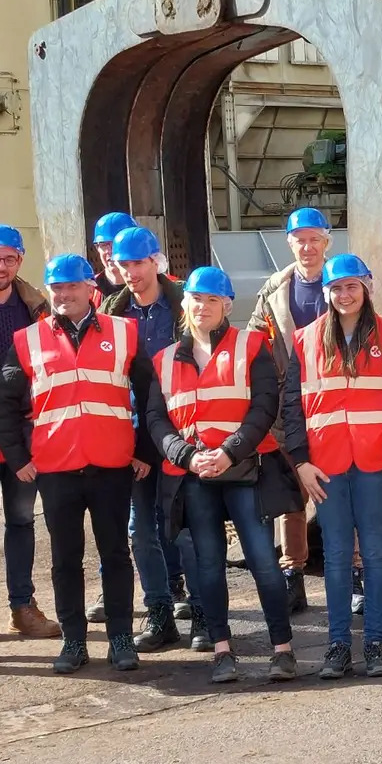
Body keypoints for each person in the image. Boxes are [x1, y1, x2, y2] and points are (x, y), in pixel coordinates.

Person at [147, 266, 304, 683]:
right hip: (195, 474)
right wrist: (186, 456)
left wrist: (229, 452)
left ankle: (283, 650)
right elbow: (156, 419)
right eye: (196, 299)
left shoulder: (252, 346)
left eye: (212, 300)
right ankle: (221, 650)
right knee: (208, 564)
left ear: (227, 306)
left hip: (244, 470)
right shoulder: (163, 361)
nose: (203, 307)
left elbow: (264, 406)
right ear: (185, 304)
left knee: (262, 561)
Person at [0, 254, 154, 673]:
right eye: (57, 288)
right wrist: (18, 459)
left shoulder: (125, 333)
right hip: (56, 469)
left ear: (92, 289)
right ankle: (73, 641)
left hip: (111, 464)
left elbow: (150, 396)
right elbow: (8, 406)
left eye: (72, 287)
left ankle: (121, 638)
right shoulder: (27, 340)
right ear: (50, 292)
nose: (64, 294)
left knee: (116, 553)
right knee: (65, 560)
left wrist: (143, 450)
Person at [284, 254, 382, 680]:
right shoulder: (304, 340)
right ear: (326, 293)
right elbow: (291, 408)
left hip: (377, 461)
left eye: (352, 286)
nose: (344, 295)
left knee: (374, 551)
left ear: (367, 287)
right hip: (326, 465)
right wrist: (300, 462)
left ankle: (374, 642)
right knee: (336, 555)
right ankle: (338, 645)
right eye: (336, 288)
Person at [98, 226, 207, 652]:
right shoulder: (114, 310)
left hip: (182, 434)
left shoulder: (185, 304)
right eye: (123, 265)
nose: (130, 272)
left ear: (156, 261)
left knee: (185, 530)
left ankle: (203, 613)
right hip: (135, 439)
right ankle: (160, 612)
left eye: (138, 263)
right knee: (142, 532)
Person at [248, 206, 334, 614]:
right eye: (300, 239)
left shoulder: (345, 281)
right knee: (291, 497)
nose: (308, 246)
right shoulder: (274, 289)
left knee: (339, 490)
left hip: (334, 402)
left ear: (327, 242)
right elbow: (253, 339)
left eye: (315, 238)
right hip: (289, 404)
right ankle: (292, 575)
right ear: (290, 243)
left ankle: (352, 573)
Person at [0, 225, 60, 638]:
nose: (1, 266)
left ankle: (22, 608)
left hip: (21, 436)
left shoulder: (36, 307)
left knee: (21, 521)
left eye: (9, 258)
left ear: (20, 261)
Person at [91, 212, 136, 304]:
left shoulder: (163, 286)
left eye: (116, 244)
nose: (109, 251)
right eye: (103, 245)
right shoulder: (88, 288)